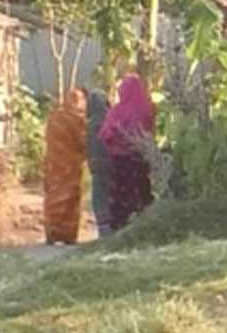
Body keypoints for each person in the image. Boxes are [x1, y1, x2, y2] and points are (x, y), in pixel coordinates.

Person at [99, 73, 155, 231]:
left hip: (120, 161)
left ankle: (120, 226)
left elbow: (105, 134)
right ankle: (145, 225)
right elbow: (149, 131)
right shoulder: (147, 109)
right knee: (141, 190)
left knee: (121, 194)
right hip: (140, 157)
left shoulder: (117, 112)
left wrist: (119, 139)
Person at [42, 89, 88, 245]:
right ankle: (68, 235)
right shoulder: (77, 121)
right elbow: (83, 142)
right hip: (70, 166)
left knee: (53, 197)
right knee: (70, 200)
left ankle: (52, 232)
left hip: (53, 164)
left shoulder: (54, 118)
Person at [84, 88, 114, 235]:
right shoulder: (113, 118)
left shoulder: (91, 124)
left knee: (99, 198)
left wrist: (91, 161)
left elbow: (88, 146)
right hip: (113, 164)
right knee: (111, 195)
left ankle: (104, 231)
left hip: (97, 165)